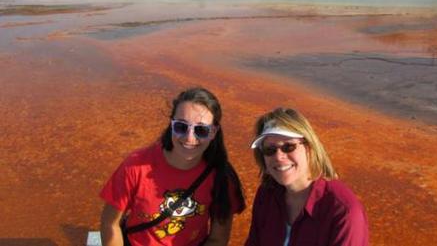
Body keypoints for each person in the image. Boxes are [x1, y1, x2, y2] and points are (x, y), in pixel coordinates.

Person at [100, 87, 245, 246]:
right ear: (171, 125)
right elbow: (110, 224)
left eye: (201, 130)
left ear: (213, 132)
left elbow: (218, 239)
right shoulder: (135, 166)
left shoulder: (221, 177)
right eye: (181, 127)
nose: (189, 138)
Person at [245, 107, 368, 246]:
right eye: (270, 150)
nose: (278, 157)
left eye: (288, 147)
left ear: (309, 148)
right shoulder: (267, 194)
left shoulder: (343, 212)